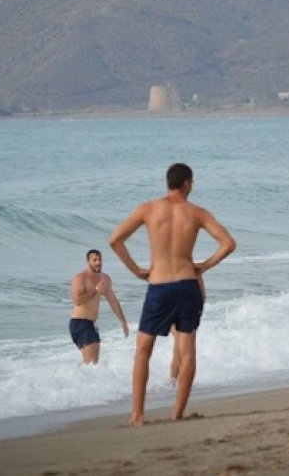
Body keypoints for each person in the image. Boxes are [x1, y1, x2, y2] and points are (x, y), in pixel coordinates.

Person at [109, 163, 236, 427]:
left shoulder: (148, 209)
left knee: (143, 350)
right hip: (188, 286)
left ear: (168, 182)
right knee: (187, 351)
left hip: (159, 286)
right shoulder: (197, 213)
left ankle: (138, 415)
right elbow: (228, 243)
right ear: (187, 183)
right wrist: (204, 266)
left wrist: (136, 270)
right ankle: (177, 413)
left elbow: (115, 240)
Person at [69, 249, 130, 365]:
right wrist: (96, 290)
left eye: (100, 259)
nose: (98, 262)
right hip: (79, 323)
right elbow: (77, 301)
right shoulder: (80, 278)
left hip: (92, 324)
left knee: (93, 363)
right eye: (95, 260)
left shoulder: (105, 279)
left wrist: (123, 321)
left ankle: (74, 375)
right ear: (88, 261)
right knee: (91, 363)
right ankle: (71, 375)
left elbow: (113, 301)